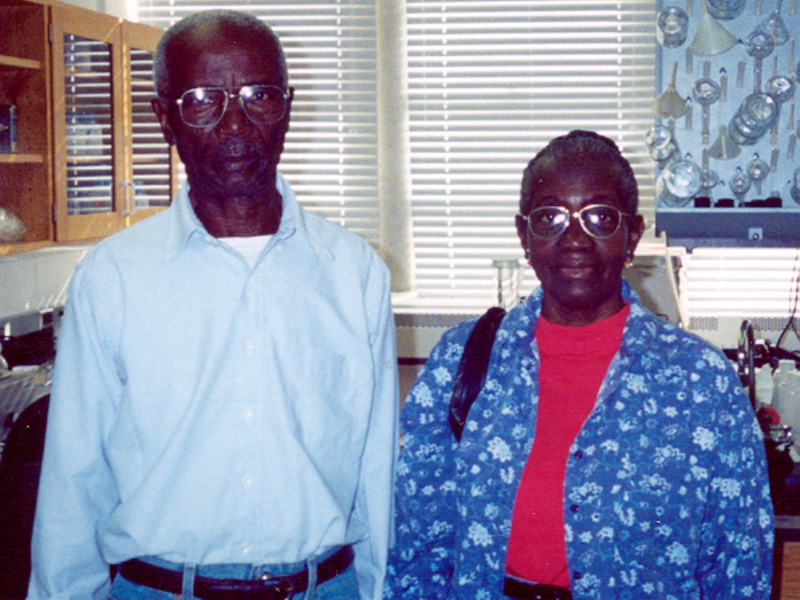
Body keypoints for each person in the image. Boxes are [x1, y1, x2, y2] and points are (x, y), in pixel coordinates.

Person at [28, 10, 398, 600]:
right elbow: (75, 481)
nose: (235, 123)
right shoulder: (113, 277)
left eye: (259, 96)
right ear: (164, 118)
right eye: (202, 99)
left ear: (288, 107)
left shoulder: (353, 274)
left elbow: (375, 473)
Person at [383, 130, 774, 600]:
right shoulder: (461, 361)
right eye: (550, 217)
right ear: (524, 236)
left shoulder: (701, 382)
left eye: (599, 217)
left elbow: (738, 562)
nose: (574, 238)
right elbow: (418, 541)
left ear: (632, 235)